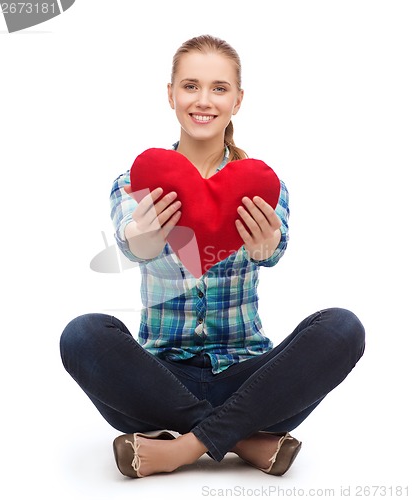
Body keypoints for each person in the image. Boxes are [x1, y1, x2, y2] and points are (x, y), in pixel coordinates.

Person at [60, 34, 365, 479]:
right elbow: (132, 242)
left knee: (343, 327)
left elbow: (273, 250)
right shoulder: (136, 179)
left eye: (219, 88)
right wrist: (142, 239)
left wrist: (266, 248)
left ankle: (180, 447)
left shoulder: (260, 183)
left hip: (252, 382)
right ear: (171, 94)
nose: (203, 100)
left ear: (238, 100)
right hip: (159, 384)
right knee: (82, 334)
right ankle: (242, 440)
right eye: (190, 86)